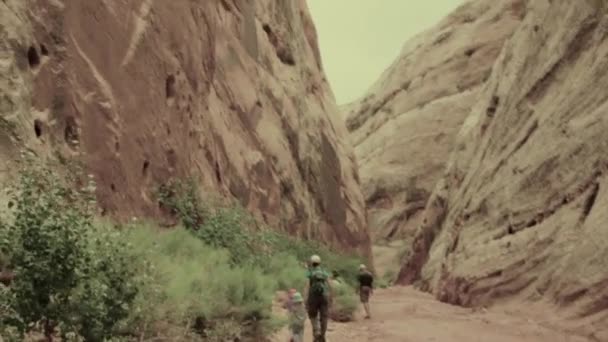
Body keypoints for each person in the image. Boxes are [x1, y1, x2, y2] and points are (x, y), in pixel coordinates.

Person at [304, 254, 332, 342]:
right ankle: (322, 336)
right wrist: (331, 296)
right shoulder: (324, 272)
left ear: (311, 263)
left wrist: (305, 297)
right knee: (324, 316)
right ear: (319, 262)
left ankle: (316, 332)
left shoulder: (310, 272)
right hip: (324, 296)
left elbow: (307, 286)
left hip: (313, 296)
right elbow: (330, 285)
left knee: (313, 315)